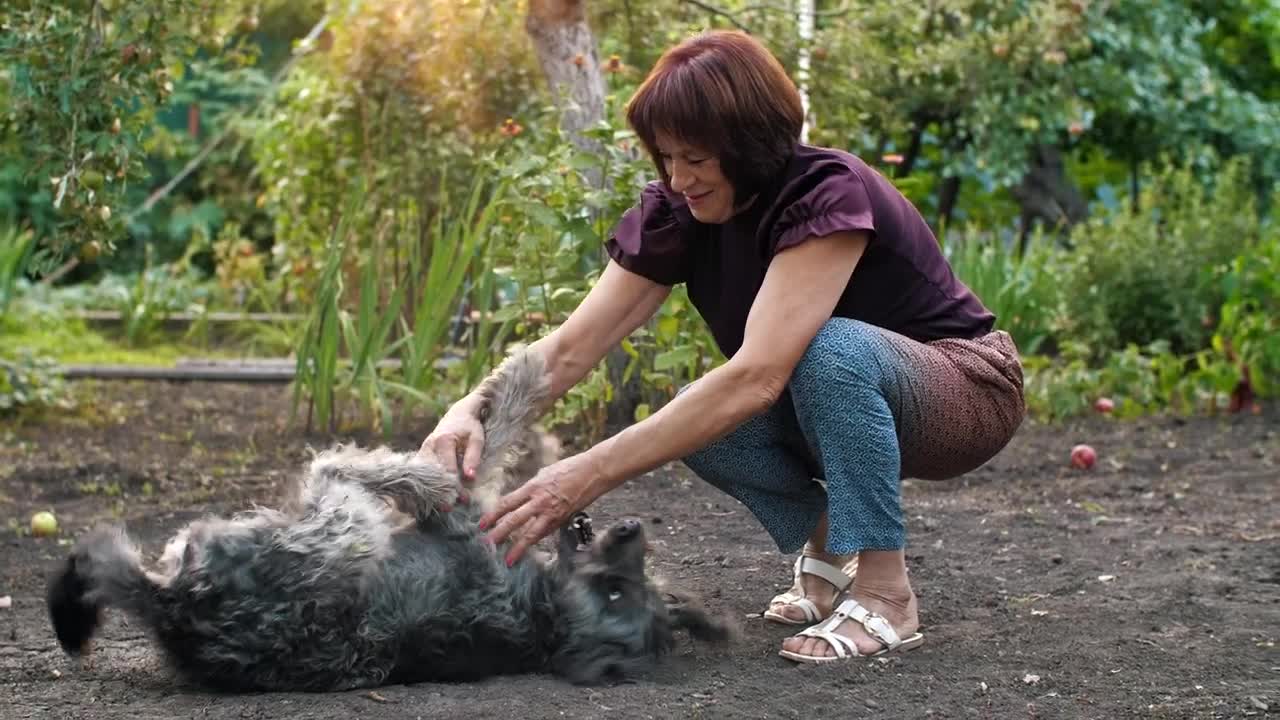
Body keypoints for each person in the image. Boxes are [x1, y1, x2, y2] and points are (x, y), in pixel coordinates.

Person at [419, 29, 1025, 663]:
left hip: (963, 392)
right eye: (666, 157)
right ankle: (831, 545)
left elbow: (757, 376)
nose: (679, 178)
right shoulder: (680, 212)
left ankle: (886, 593)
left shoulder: (824, 192)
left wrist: (581, 476)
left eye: (697, 159)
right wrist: (472, 409)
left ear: (748, 145)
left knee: (827, 351)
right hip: (823, 398)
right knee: (700, 416)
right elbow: (571, 348)